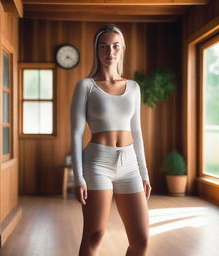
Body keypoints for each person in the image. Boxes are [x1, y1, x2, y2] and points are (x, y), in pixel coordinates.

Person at [70, 24, 152, 256]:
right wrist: (78, 178)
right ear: (96, 50)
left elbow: (137, 132)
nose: (110, 52)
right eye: (104, 46)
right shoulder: (86, 86)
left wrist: (144, 173)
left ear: (122, 49)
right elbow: (76, 134)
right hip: (97, 163)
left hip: (129, 166)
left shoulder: (133, 87)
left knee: (142, 241)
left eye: (115, 46)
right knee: (94, 235)